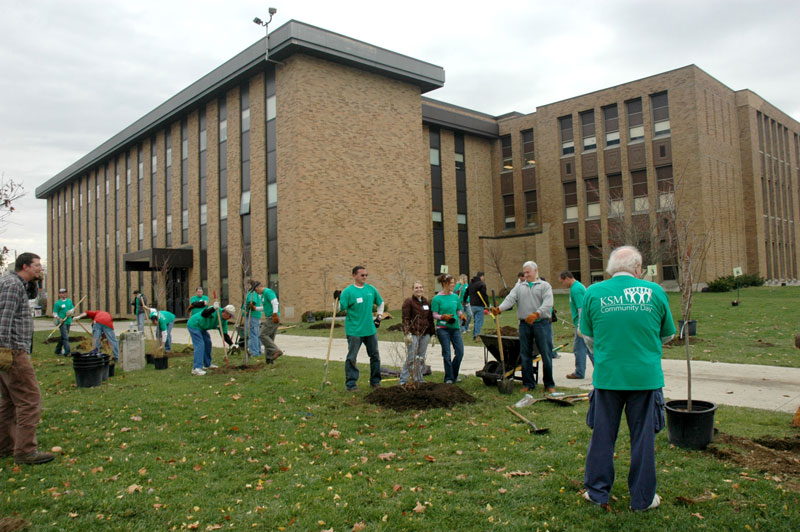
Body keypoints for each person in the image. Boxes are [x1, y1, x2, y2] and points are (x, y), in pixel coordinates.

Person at [580, 246, 675, 511]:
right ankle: (643, 499)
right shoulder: (655, 292)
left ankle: (597, 493)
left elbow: (587, 336)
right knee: (643, 439)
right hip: (645, 378)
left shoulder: (593, 293)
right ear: (638, 268)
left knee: (602, 436)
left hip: (608, 377)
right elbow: (667, 335)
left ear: (611, 268)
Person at [0, 252, 55, 465]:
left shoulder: (15, 283)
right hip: (13, 351)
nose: (40, 269)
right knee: (30, 399)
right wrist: (4, 349)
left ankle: (5, 445)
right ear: (25, 266)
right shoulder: (12, 285)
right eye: (37, 266)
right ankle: (25, 451)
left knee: (9, 401)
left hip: (11, 349)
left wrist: (36, 283)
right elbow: (4, 318)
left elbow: (31, 298)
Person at [491, 261, 556, 393]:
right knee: (525, 355)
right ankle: (528, 383)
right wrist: (501, 308)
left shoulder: (544, 286)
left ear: (535, 271)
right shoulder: (520, 287)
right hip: (524, 325)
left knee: (546, 354)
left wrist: (537, 314)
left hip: (541, 324)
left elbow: (548, 303)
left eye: (528, 272)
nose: (525, 275)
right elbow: (510, 298)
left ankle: (549, 384)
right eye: (524, 272)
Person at [334, 266, 385, 391]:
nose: (365, 277)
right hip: (354, 330)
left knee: (375, 356)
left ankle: (375, 381)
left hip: (370, 330)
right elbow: (339, 309)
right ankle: (351, 384)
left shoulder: (371, 289)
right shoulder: (348, 291)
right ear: (354, 275)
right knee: (352, 357)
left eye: (366, 275)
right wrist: (336, 300)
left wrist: (378, 317)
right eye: (362, 275)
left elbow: (380, 303)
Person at [432, 273, 467, 384]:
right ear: (444, 284)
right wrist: (443, 317)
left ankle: (454, 375)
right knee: (446, 354)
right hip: (442, 329)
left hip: (455, 328)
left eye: (453, 282)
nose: (453, 285)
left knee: (460, 352)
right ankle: (448, 378)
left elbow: (458, 310)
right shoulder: (437, 298)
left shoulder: (455, 297)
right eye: (451, 283)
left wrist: (461, 315)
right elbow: (434, 314)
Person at [559, 271, 593, 379]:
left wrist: (580, 325)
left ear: (567, 278)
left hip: (582, 325)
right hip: (582, 324)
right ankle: (599, 370)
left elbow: (581, 308)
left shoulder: (576, 289)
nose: (563, 285)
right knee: (588, 349)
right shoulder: (576, 287)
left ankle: (579, 372)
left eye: (562, 282)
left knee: (579, 349)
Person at [399, 281, 435, 385]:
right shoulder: (409, 302)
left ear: (423, 289)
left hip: (425, 333)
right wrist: (407, 333)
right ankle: (403, 380)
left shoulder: (426, 302)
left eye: (420, 287)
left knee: (421, 357)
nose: (419, 289)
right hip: (413, 333)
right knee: (411, 357)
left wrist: (433, 334)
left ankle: (418, 379)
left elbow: (430, 319)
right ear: (413, 289)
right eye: (416, 288)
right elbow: (405, 318)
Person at [187, 303, 236, 376]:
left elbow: (224, 335)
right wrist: (213, 308)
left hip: (202, 328)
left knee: (208, 343)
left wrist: (232, 344)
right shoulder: (215, 310)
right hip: (194, 324)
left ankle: (207, 364)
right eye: (230, 316)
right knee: (200, 345)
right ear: (226, 313)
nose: (230, 318)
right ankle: (196, 368)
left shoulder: (224, 322)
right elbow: (204, 314)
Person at [256, 282, 283, 363]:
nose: (256, 292)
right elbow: (265, 308)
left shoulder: (268, 292)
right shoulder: (263, 295)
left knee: (262, 335)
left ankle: (276, 351)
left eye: (256, 290)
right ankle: (269, 359)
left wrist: (275, 314)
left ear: (259, 287)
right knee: (269, 338)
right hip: (270, 317)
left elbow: (275, 302)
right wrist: (255, 308)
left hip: (272, 318)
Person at [242, 281, 263, 359]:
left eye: (247, 285)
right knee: (256, 334)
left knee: (252, 334)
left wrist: (246, 309)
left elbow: (252, 302)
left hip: (252, 316)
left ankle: (254, 352)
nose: (246, 286)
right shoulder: (256, 294)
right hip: (256, 316)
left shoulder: (252, 293)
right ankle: (258, 351)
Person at [52, 288, 75, 356]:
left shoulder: (69, 301)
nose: (64, 294)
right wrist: (59, 318)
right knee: (65, 337)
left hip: (68, 321)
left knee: (63, 337)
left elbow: (73, 309)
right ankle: (67, 352)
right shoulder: (57, 303)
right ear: (59, 294)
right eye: (62, 293)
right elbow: (54, 313)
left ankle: (57, 350)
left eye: (65, 292)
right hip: (62, 322)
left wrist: (71, 312)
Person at [467, 271, 488, 341]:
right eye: (484, 277)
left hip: (472, 305)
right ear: (482, 276)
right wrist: (487, 304)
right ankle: (477, 336)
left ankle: (474, 335)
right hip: (479, 305)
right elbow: (484, 296)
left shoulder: (471, 283)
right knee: (479, 321)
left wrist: (464, 300)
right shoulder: (482, 284)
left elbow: (466, 292)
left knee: (476, 321)